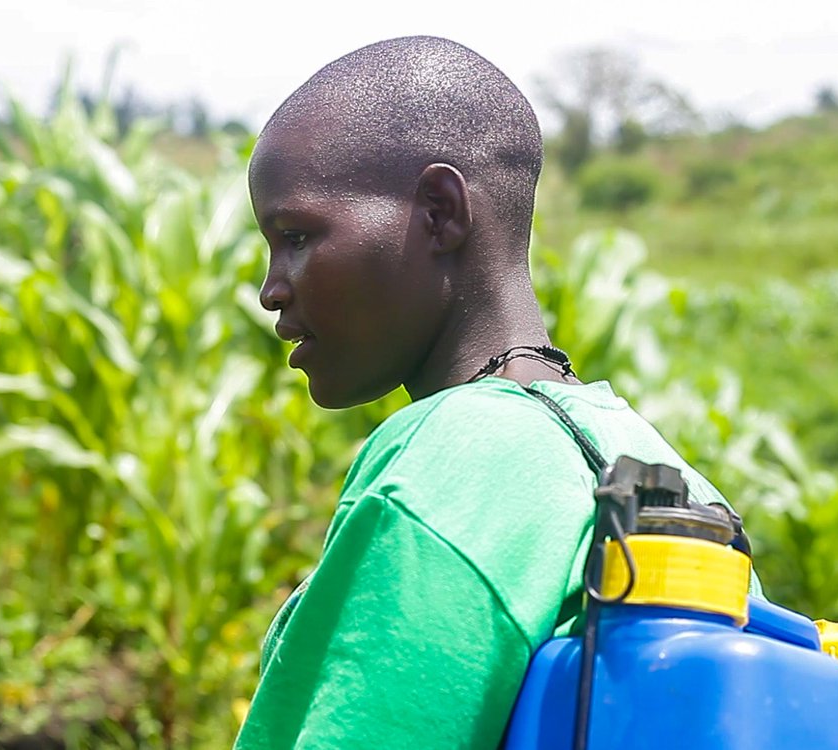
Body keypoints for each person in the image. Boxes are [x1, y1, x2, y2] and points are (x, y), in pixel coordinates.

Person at [235, 35, 759, 749]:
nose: (272, 289)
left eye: (296, 235)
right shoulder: (661, 469)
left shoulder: (449, 463)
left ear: (441, 213)